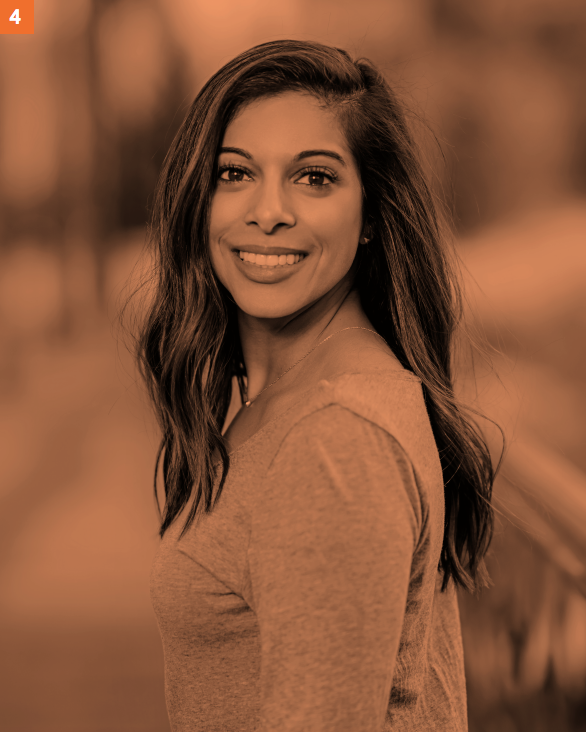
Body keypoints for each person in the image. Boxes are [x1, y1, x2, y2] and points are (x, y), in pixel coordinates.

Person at [135, 39, 502, 732]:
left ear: (369, 214)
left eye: (314, 178)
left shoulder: (336, 442)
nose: (267, 211)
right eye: (235, 173)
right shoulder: (292, 403)